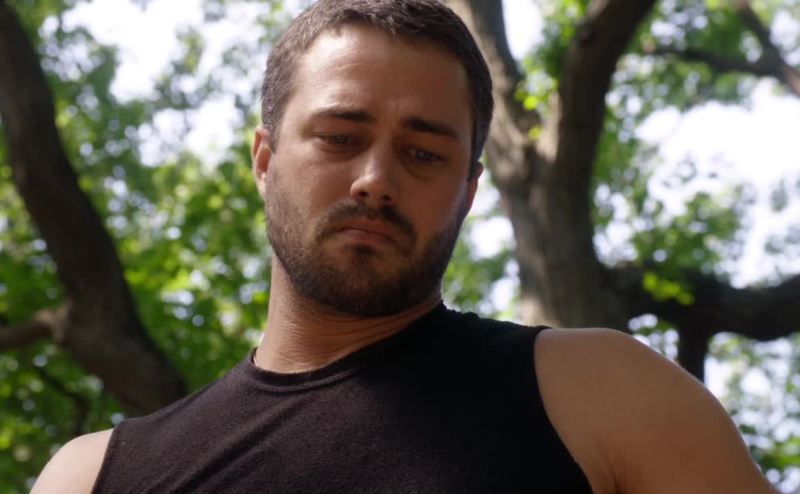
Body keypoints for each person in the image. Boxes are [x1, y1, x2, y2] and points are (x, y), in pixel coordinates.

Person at [33, 0, 776, 493]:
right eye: (339, 137)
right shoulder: (90, 478)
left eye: (423, 154)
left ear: (469, 190)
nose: (376, 181)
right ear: (264, 160)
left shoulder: (606, 396)